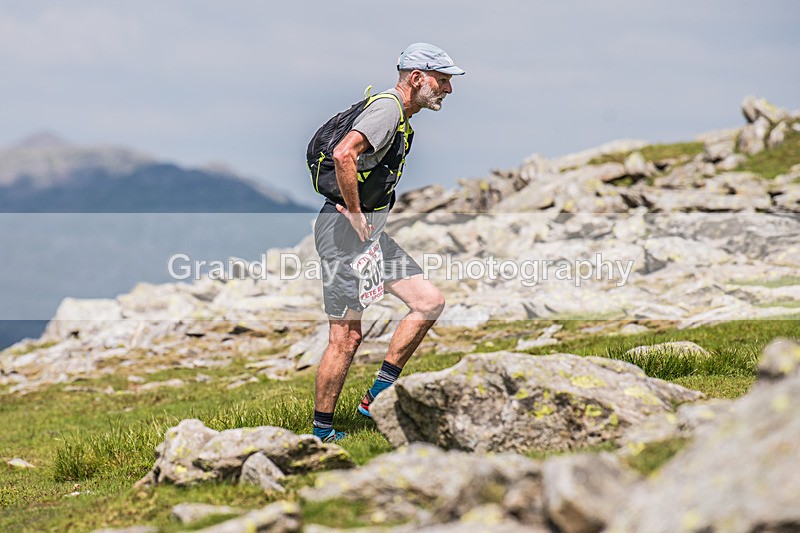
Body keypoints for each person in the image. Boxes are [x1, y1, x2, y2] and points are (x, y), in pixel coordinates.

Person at [311, 43, 465, 442]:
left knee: (428, 302)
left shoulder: (400, 117)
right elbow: (344, 154)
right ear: (417, 78)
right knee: (345, 338)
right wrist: (355, 211)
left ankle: (377, 396)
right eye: (442, 80)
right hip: (343, 234)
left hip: (368, 236)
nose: (448, 89)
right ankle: (321, 432)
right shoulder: (388, 110)